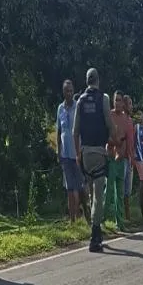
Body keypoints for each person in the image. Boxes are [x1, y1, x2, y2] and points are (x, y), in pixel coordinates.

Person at [73, 68, 114, 252]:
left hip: (85, 154)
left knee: (90, 193)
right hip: (99, 151)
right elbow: (109, 123)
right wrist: (112, 143)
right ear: (98, 80)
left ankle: (94, 228)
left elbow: (75, 131)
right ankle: (95, 235)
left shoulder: (80, 101)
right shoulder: (103, 98)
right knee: (98, 197)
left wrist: (77, 154)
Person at [57, 79, 89, 224]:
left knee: (80, 188)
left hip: (77, 154)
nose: (69, 93)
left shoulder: (78, 107)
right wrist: (59, 152)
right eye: (66, 91)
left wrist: (81, 151)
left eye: (71, 91)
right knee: (70, 189)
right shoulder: (60, 109)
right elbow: (59, 132)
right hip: (65, 155)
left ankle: (86, 213)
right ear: (63, 92)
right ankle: (73, 220)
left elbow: (83, 130)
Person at [104, 90, 130, 232]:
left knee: (120, 192)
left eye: (120, 100)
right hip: (110, 156)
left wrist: (125, 152)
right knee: (108, 192)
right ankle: (101, 220)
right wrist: (114, 143)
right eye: (116, 100)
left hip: (121, 158)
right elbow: (105, 136)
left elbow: (126, 137)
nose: (118, 103)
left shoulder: (126, 118)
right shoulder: (110, 116)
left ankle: (119, 222)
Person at [122, 94, 135, 221]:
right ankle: (124, 215)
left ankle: (127, 215)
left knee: (128, 190)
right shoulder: (123, 120)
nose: (132, 106)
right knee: (123, 189)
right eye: (130, 103)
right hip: (124, 157)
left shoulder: (131, 121)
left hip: (130, 157)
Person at [133, 109, 143, 182]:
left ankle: (142, 193)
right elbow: (133, 140)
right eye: (138, 115)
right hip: (138, 154)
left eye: (140, 114)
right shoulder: (136, 127)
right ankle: (141, 193)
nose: (139, 116)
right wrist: (134, 152)